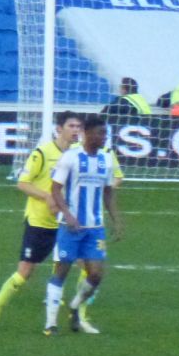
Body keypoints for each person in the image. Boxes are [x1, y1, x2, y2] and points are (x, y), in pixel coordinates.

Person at [0, 111, 82, 332]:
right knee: (25, 273)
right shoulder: (42, 153)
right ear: (59, 129)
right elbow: (22, 183)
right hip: (40, 222)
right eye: (71, 126)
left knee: (83, 265)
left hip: (65, 222)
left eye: (78, 126)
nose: (76, 130)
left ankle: (77, 315)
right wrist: (46, 196)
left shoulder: (78, 155)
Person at [43, 114, 123, 335]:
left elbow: (107, 192)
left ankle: (75, 306)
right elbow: (55, 188)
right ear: (87, 134)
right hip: (70, 227)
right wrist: (67, 214)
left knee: (96, 274)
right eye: (100, 133)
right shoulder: (71, 157)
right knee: (62, 271)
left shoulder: (106, 160)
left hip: (95, 228)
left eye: (106, 133)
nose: (104, 137)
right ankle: (50, 324)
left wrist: (116, 220)